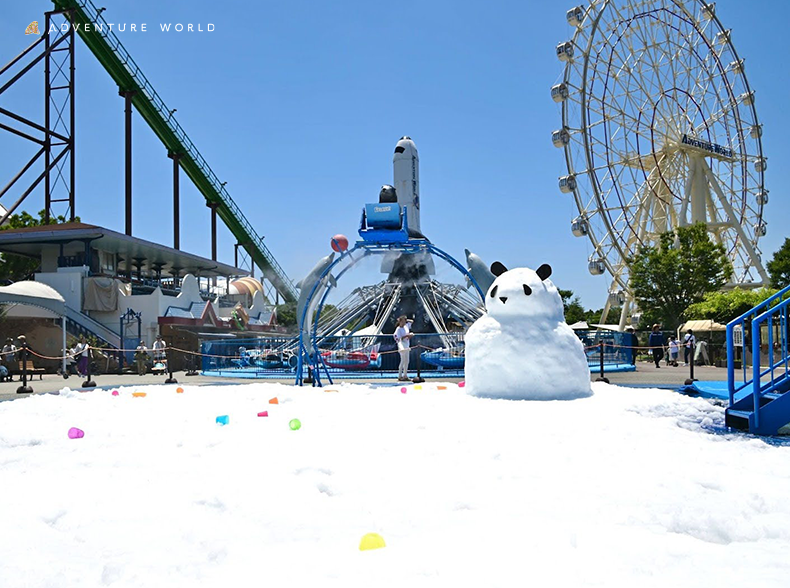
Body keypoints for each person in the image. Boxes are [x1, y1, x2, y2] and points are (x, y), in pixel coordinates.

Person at [393, 315, 414, 381]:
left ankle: (405, 375)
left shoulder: (406, 326)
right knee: (402, 360)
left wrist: (406, 319)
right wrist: (407, 335)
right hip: (402, 345)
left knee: (407, 361)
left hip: (407, 345)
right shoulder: (398, 329)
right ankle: (400, 376)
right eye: (403, 321)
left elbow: (412, 321)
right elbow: (399, 339)